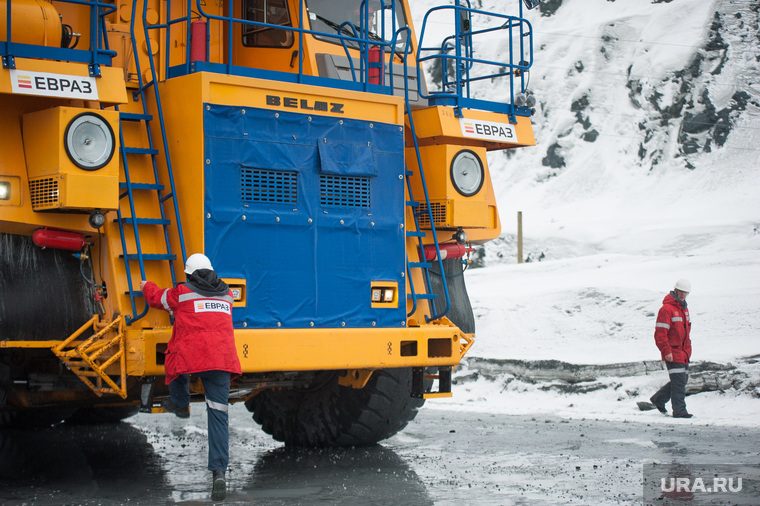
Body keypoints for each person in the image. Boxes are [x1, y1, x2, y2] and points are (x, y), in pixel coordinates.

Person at [140, 253, 242, 501]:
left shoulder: (182, 293)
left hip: (194, 357)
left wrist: (146, 286)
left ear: (188, 275)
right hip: (221, 360)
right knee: (218, 417)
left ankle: (181, 405)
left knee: (174, 359)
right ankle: (219, 474)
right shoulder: (227, 294)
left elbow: (157, 298)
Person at [649, 278, 693, 419]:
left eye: (685, 293)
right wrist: (666, 351)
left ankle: (659, 399)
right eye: (681, 292)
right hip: (673, 352)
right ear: (675, 290)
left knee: (681, 380)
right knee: (679, 382)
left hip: (683, 352)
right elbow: (660, 334)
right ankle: (680, 411)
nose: (682, 295)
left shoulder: (683, 309)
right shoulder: (667, 309)